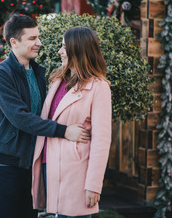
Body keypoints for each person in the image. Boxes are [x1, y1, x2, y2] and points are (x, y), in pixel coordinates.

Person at [0, 15, 90, 218]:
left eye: (38, 37)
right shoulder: (0, 74)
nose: (39, 43)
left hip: (33, 159)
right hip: (9, 162)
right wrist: (64, 131)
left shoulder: (37, 71)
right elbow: (20, 117)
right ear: (14, 42)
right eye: (32, 38)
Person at [32, 27, 112, 218]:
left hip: (76, 172)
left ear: (79, 50)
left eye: (64, 47)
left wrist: (93, 184)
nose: (60, 51)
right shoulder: (57, 81)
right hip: (48, 166)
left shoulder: (99, 87)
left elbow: (102, 140)